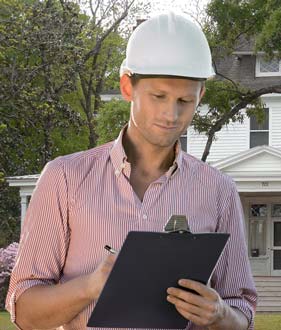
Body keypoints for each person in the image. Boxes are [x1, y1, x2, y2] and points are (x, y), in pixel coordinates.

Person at [5, 12, 257, 330]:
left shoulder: (218, 191)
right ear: (128, 87)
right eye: (158, 96)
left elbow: (242, 311)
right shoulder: (64, 179)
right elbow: (25, 312)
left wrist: (220, 314)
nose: (171, 114)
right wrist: (91, 287)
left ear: (200, 96)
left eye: (185, 100)